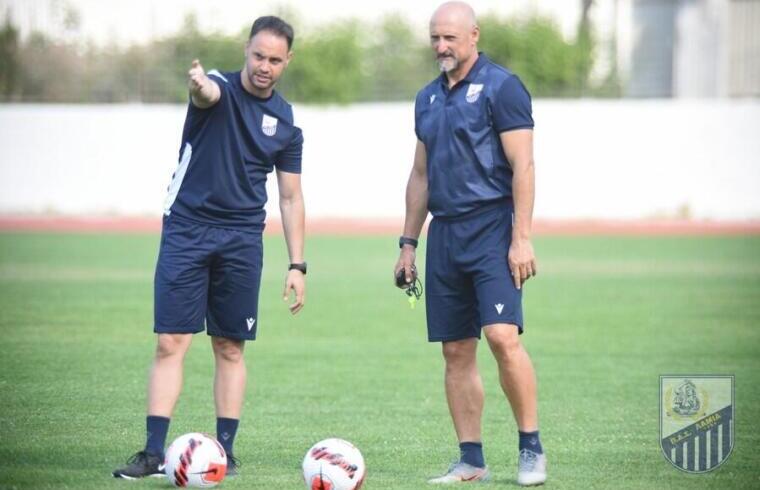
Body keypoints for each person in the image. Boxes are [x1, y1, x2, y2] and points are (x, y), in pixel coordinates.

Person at [113, 15, 306, 479]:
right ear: (246, 49)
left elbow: (290, 195)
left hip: (242, 238)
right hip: (187, 228)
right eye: (258, 55)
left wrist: (298, 264)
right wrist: (198, 83)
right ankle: (153, 452)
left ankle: (224, 452)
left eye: (275, 60)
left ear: (287, 61)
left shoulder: (285, 121)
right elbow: (208, 94)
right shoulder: (216, 88)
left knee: (230, 346)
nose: (264, 66)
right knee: (170, 340)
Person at [394, 2, 546, 486]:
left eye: (450, 38)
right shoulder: (426, 98)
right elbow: (420, 175)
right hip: (445, 235)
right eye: (435, 37)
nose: (441, 46)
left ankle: (530, 448)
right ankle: (471, 459)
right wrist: (407, 245)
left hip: (492, 229)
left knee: (502, 337)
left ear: (474, 35)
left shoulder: (503, 87)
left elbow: (524, 166)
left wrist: (522, 237)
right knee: (456, 352)